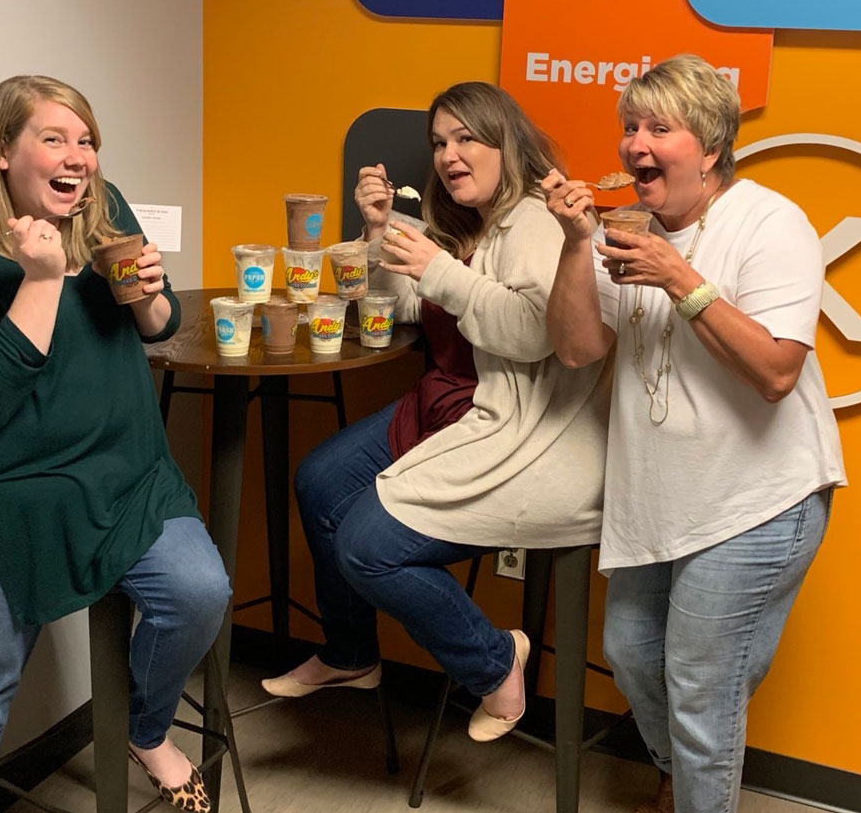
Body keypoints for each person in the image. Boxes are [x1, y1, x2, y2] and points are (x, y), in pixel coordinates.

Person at [0, 75, 231, 813]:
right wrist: (43, 278)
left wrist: (150, 293)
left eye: (86, 140)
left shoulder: (101, 210)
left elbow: (160, 325)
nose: (77, 156)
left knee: (199, 591)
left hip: (124, 477)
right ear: (1, 153)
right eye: (54, 138)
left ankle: (147, 729)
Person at [542, 54, 846, 813]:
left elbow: (777, 372)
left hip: (760, 498)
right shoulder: (626, 229)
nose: (634, 144)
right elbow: (579, 348)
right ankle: (690, 774)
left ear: (709, 148)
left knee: (703, 691)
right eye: (629, 127)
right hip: (662, 499)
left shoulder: (770, 221)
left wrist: (680, 277)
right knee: (634, 655)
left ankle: (698, 787)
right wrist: (578, 244)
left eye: (659, 129)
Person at [261, 81, 611, 740]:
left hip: (510, 425)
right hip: (442, 401)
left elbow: (536, 332)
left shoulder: (536, 221)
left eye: (466, 138)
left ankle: (494, 658)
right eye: (440, 143)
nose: (450, 155)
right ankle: (350, 652)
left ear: (508, 140)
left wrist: (436, 267)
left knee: (367, 545)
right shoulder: (461, 224)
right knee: (319, 481)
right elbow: (404, 308)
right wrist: (379, 231)